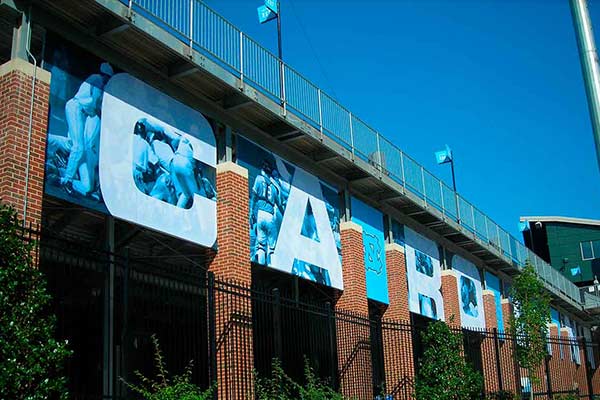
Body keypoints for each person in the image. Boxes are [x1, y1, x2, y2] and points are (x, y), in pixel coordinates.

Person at [47, 62, 114, 197]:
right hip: (76, 108)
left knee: (87, 186)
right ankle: (67, 180)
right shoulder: (98, 80)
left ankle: (59, 175)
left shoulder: (98, 81)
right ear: (106, 76)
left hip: (81, 113)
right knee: (78, 147)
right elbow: (95, 104)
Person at [249, 160, 281, 265]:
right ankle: (273, 266)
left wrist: (251, 211)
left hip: (260, 214)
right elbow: (279, 203)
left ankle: (262, 265)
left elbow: (254, 196)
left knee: (261, 245)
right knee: (272, 247)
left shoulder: (258, 179)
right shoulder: (274, 186)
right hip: (270, 215)